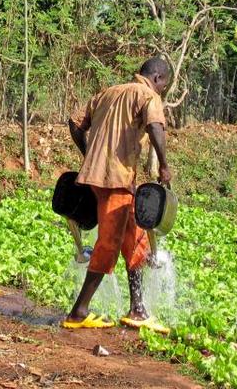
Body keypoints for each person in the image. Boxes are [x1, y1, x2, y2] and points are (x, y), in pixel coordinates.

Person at [62, 57, 172, 332]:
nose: (160, 91)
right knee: (109, 244)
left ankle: (137, 310)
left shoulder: (106, 93)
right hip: (115, 180)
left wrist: (91, 155)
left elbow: (75, 125)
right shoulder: (148, 95)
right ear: (157, 78)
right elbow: (156, 127)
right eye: (163, 86)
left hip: (104, 178)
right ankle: (78, 312)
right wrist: (165, 167)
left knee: (134, 240)